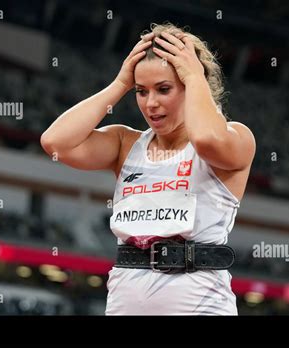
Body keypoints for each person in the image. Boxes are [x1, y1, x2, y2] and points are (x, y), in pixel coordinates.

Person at [40, 23, 256, 315]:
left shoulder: (236, 138)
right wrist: (120, 84)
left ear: (193, 86)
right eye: (141, 91)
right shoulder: (125, 144)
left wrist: (195, 77)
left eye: (164, 89)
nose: (151, 103)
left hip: (201, 306)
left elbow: (205, 139)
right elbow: (56, 143)